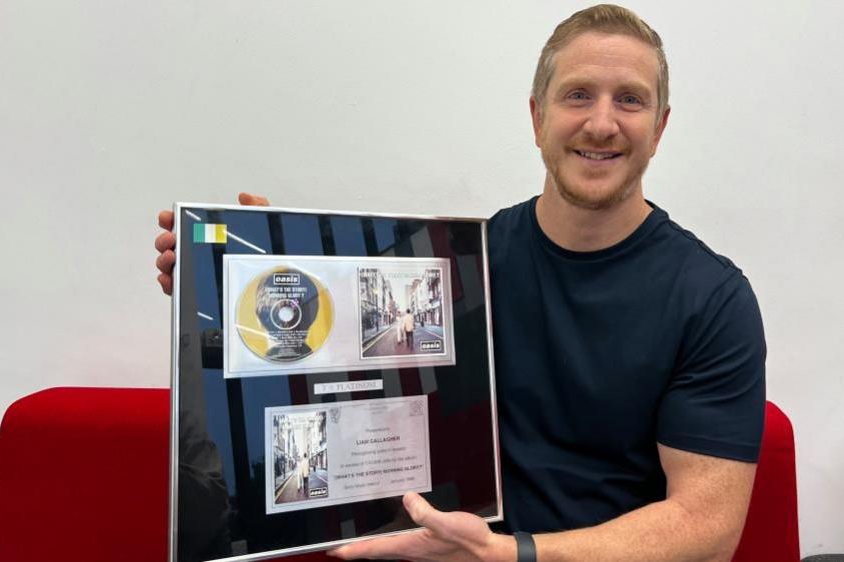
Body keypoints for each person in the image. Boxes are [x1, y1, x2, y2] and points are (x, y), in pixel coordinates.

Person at [154, 5, 765, 561]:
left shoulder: (712, 300)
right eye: (578, 94)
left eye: (629, 100)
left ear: (659, 128)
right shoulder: (455, 263)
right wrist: (257, 276)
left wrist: (513, 556)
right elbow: (332, 366)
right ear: (537, 115)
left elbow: (705, 530)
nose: (601, 123)